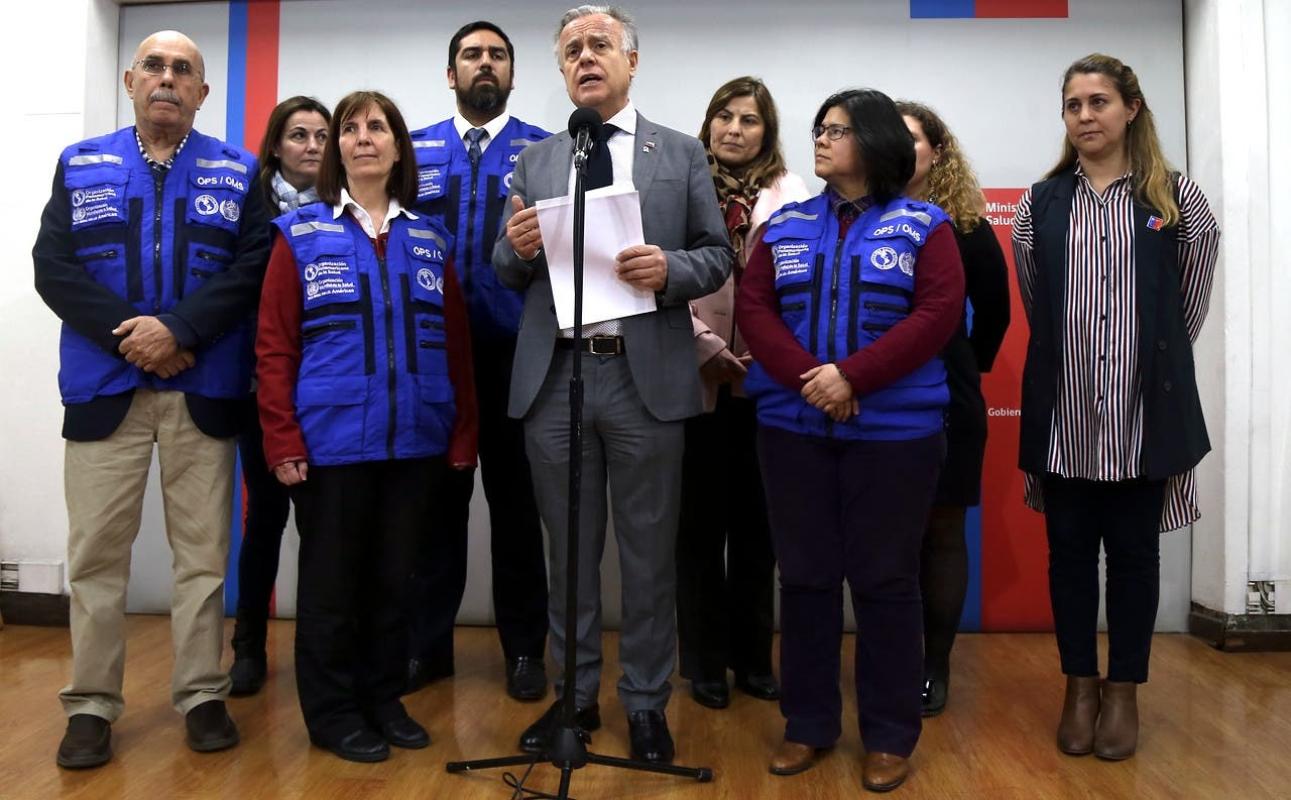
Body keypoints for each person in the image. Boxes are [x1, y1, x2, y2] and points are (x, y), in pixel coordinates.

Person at [496, 4, 731, 764]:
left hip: (643, 376)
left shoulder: (680, 152)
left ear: (631, 60)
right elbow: (504, 269)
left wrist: (670, 270)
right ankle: (573, 699)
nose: (585, 58)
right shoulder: (536, 160)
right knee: (567, 556)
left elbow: (716, 255)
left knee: (648, 555)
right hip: (556, 376)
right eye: (571, 50)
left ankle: (646, 703)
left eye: (599, 44)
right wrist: (515, 247)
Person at [33, 30, 271, 769]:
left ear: (202, 91)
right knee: (96, 558)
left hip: (203, 388)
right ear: (131, 81)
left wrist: (181, 329)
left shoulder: (240, 170)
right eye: (155, 67)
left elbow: (254, 265)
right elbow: (52, 267)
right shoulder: (80, 163)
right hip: (105, 389)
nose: (168, 78)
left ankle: (201, 693)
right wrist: (133, 339)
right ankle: (90, 705)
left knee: (203, 556)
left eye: (183, 70)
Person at [736, 89, 964, 792]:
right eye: (820, 129)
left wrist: (853, 377)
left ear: (872, 141)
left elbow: (937, 313)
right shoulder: (785, 225)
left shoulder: (925, 226)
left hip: (894, 435)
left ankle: (890, 734)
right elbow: (754, 308)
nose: (821, 139)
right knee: (804, 579)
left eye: (836, 130)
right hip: (792, 428)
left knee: (885, 581)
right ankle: (807, 724)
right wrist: (814, 381)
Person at [255, 90, 477, 763]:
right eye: (348, 128)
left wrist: (463, 435)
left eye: (377, 127)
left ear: (399, 148)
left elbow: (457, 349)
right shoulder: (298, 235)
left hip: (415, 442)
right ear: (337, 150)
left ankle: (383, 699)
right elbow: (274, 347)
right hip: (330, 447)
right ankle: (332, 714)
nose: (362, 138)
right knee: (331, 590)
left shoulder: (429, 239)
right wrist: (281, 438)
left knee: (395, 584)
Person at [1013, 54, 1219, 761]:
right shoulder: (1039, 206)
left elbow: (1185, 313)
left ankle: (1123, 688)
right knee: (1068, 557)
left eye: (1098, 101)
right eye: (1072, 105)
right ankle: (1080, 685)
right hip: (1065, 418)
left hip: (1140, 419)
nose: (1084, 116)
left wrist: (1138, 362)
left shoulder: (1177, 201)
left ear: (1131, 108)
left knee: (1134, 557)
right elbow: (1038, 305)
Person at [405, 20, 552, 702]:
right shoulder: (412, 151)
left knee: (518, 510)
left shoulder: (544, 152)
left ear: (513, 74)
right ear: (451, 73)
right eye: (471, 54)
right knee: (436, 510)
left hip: (519, 357)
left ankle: (524, 651)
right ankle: (426, 648)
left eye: (497, 55)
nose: (484, 63)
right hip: (432, 361)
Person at [677, 76, 809, 711]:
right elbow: (654, 279)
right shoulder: (678, 186)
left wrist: (771, 352)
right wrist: (705, 346)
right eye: (724, 116)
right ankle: (703, 663)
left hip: (767, 385)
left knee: (760, 532)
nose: (734, 129)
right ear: (708, 123)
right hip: (694, 381)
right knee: (698, 532)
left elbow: (805, 285)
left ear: (767, 131)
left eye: (749, 119)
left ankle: (754, 659)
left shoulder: (794, 194)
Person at [895, 100, 1010, 717]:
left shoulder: (966, 229)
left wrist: (959, 366)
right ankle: (889, 660)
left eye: (913, 138)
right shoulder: (858, 218)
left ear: (937, 152)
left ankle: (932, 667)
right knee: (887, 536)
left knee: (942, 533)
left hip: (948, 396)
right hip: (873, 398)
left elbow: (995, 318)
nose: (900, 147)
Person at [229, 95, 331, 697]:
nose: (312, 146)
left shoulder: (346, 207)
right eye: (298, 135)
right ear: (275, 145)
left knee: (323, 525)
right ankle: (248, 646)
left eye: (322, 135)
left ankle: (321, 652)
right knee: (264, 518)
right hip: (259, 387)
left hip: (325, 394)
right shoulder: (250, 207)